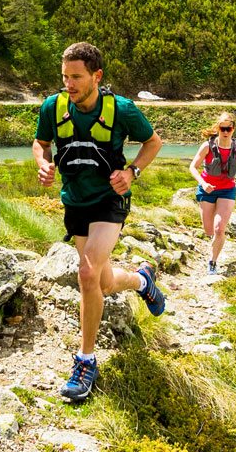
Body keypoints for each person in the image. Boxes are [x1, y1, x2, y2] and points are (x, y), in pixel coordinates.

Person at [33, 41, 165, 403]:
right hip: (76, 202)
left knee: (87, 274)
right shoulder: (52, 107)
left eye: (76, 77)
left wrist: (132, 171)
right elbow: (40, 143)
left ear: (97, 76)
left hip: (110, 200)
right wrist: (42, 163)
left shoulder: (121, 109)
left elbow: (153, 142)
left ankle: (85, 361)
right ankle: (142, 280)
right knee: (103, 282)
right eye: (65, 77)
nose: (69, 84)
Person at [190, 114, 236, 275]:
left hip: (227, 190)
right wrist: (203, 183)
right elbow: (193, 167)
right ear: (218, 129)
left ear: (233, 129)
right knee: (209, 230)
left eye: (229, 128)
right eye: (223, 128)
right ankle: (214, 243)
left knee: (219, 228)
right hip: (207, 190)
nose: (226, 131)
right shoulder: (207, 146)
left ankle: (213, 261)